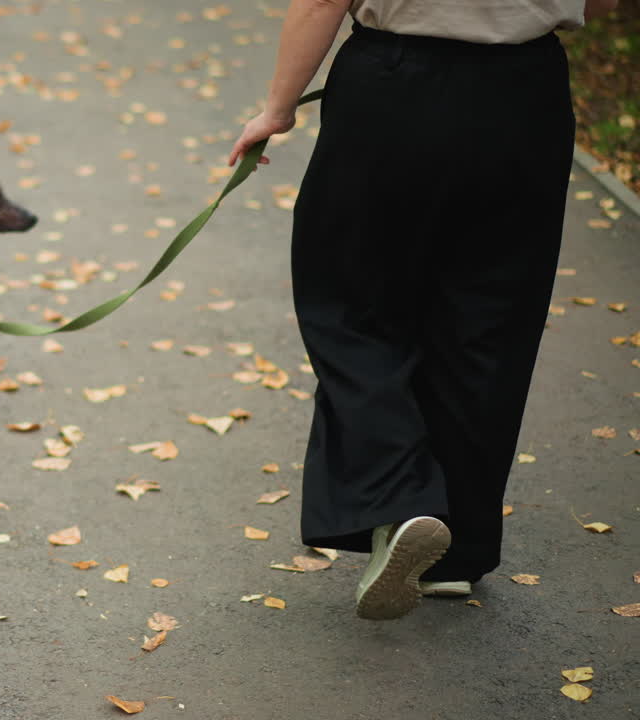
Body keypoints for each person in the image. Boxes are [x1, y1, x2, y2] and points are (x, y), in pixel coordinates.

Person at [228, 0, 617, 620]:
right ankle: (454, 556)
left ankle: (401, 494)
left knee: (350, 299)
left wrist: (277, 108)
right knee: (490, 319)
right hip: (526, 93)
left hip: (394, 88)